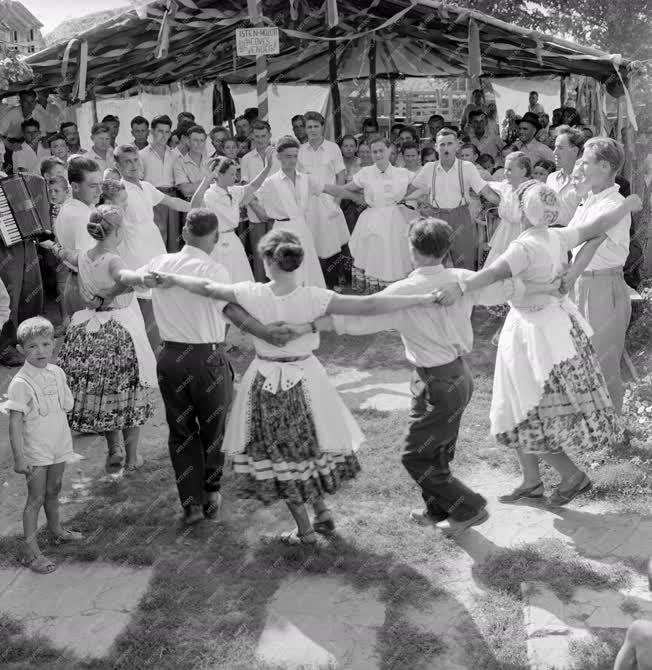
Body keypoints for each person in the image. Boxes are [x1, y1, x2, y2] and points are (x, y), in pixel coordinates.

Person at [153, 228, 444, 543]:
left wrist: (173, 277)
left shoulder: (253, 293)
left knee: (281, 457)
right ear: (298, 262)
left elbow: (207, 287)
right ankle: (322, 513)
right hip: (307, 378)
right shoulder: (314, 296)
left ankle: (305, 531)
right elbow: (370, 305)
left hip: (266, 381)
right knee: (306, 447)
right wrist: (425, 297)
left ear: (268, 262)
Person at [314, 218, 542, 535]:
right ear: (447, 248)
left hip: (439, 382)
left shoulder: (405, 289)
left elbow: (364, 319)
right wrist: (531, 279)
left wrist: (320, 321)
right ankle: (436, 509)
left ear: (412, 248)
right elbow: (506, 288)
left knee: (416, 457)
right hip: (454, 376)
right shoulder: (462, 280)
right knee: (436, 451)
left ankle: (469, 507)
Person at [436, 183, 640, 506]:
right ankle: (531, 481)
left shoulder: (524, 246)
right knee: (520, 401)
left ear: (521, 209)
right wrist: (627, 205)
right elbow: (598, 227)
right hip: (556, 326)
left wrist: (458, 289)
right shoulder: (558, 235)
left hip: (532, 331)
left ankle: (572, 476)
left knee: (529, 406)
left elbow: (489, 275)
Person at [133, 210, 309, 524]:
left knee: (181, 430)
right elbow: (230, 310)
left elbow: (132, 282)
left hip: (170, 357)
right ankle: (211, 491)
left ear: (185, 232)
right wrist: (265, 333)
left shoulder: (160, 262)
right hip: (206, 357)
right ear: (215, 237)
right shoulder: (215, 269)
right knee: (213, 428)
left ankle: (191, 503)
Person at [44, 206, 158, 471]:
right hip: (117, 328)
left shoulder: (84, 255)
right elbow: (124, 279)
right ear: (116, 232)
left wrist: (51, 246)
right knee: (129, 392)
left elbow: (65, 254)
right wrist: (112, 291)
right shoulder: (113, 259)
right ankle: (131, 458)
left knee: (105, 391)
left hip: (89, 330)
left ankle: (113, 448)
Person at [4, 317, 82, 574]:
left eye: (45, 344)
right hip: (36, 450)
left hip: (58, 443)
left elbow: (65, 406)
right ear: (20, 350)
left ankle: (56, 530)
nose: (40, 351)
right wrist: (19, 457)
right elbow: (15, 424)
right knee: (35, 498)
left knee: (54, 489)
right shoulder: (20, 383)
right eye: (32, 346)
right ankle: (30, 552)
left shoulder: (57, 372)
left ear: (54, 344)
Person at [562, 138, 634, 413]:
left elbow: (591, 243)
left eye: (586, 161)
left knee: (604, 360)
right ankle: (590, 424)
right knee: (579, 357)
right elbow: (572, 241)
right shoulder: (590, 200)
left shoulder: (614, 205)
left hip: (603, 285)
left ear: (604, 166)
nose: (580, 165)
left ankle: (612, 428)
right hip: (582, 282)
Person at [115, 144, 191, 352]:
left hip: (154, 247)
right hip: (134, 252)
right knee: (144, 306)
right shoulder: (119, 191)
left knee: (160, 301)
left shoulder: (146, 186)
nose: (133, 165)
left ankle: (159, 347)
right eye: (127, 162)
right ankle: (149, 355)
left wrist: (197, 207)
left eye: (135, 160)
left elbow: (172, 201)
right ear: (117, 165)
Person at [331, 136, 419, 293]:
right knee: (374, 255)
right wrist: (325, 190)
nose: (378, 154)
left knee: (394, 254)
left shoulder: (402, 173)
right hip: (371, 219)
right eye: (374, 151)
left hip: (394, 219)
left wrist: (411, 199)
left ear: (389, 150)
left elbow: (421, 186)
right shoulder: (366, 173)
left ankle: (395, 291)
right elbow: (346, 188)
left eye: (381, 150)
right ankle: (375, 293)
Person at [407, 128, 499, 270]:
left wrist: (507, 204)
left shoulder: (467, 167)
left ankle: (463, 290)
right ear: (436, 147)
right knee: (434, 262)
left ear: (457, 145)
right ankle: (438, 291)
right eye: (442, 144)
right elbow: (409, 190)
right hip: (436, 217)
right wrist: (391, 198)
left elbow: (486, 192)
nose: (445, 148)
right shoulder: (428, 168)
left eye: (449, 143)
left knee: (464, 262)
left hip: (461, 216)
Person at [254, 136, 330, 288]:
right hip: (282, 230)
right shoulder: (271, 182)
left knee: (308, 268)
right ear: (279, 157)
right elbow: (250, 196)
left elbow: (330, 189)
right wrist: (263, 213)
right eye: (288, 156)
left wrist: (354, 194)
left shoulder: (305, 179)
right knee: (286, 270)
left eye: (295, 156)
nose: (293, 160)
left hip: (302, 228)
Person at [191, 152, 275, 283]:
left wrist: (268, 167)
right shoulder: (209, 194)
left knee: (240, 278)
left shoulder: (234, 191)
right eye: (231, 174)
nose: (235, 177)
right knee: (222, 281)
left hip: (234, 240)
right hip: (217, 243)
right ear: (219, 175)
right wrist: (206, 180)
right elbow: (194, 205)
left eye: (235, 173)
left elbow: (253, 185)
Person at [298, 111, 351, 288]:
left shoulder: (333, 148)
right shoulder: (300, 150)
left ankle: (333, 284)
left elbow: (341, 175)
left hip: (329, 203)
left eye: (316, 126)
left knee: (332, 244)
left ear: (322, 127)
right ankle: (313, 285)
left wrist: (337, 203)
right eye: (309, 127)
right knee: (309, 244)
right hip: (307, 205)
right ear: (304, 129)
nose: (312, 130)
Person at [241, 120, 280, 281]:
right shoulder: (246, 159)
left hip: (277, 213)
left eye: (263, 136)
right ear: (252, 136)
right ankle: (260, 292)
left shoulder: (280, 156)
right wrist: (257, 208)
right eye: (256, 136)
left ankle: (278, 290)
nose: (260, 139)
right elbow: (245, 187)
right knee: (259, 256)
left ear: (270, 135)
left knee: (277, 254)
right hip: (255, 213)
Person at [138, 115, 180, 251]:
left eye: (167, 132)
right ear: (152, 132)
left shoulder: (175, 155)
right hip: (152, 199)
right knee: (157, 239)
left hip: (172, 197)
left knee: (174, 240)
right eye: (160, 131)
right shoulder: (141, 155)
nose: (164, 135)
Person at [484, 153, 533, 266]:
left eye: (510, 169)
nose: (505, 173)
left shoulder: (531, 191)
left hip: (521, 236)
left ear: (523, 171)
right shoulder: (505, 186)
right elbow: (487, 184)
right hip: (503, 235)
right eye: (505, 169)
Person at [546, 125, 585, 226]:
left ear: (575, 150)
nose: (554, 152)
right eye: (555, 147)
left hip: (574, 238)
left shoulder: (586, 181)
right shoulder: (551, 178)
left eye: (560, 148)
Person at [173, 125, 207, 200]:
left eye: (202, 140)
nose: (199, 143)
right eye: (195, 140)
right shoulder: (179, 163)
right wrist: (208, 182)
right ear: (188, 141)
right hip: (192, 206)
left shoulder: (212, 162)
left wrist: (193, 185)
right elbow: (186, 190)